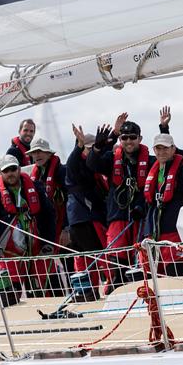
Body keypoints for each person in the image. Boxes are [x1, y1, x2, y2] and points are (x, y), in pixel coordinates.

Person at [86, 114, 155, 293]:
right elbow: (93, 164)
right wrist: (98, 147)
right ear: (120, 139)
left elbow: (153, 186)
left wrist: (142, 204)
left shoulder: (151, 161)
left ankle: (144, 289)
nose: (129, 141)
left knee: (141, 256)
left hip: (141, 216)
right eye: (124, 138)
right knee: (116, 254)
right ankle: (117, 287)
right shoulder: (110, 158)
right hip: (118, 214)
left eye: (133, 137)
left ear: (140, 138)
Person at [0, 154, 57, 295]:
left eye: (13, 169)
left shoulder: (36, 187)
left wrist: (49, 241)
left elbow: (49, 215)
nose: (10, 173)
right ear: (0, 173)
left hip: (38, 246)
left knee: (46, 287)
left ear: (19, 169)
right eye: (6, 171)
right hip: (9, 250)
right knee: (11, 293)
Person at [144, 134, 183, 276]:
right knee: (157, 277)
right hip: (155, 234)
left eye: (165, 148)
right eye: (158, 148)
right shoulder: (153, 171)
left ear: (173, 149)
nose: (161, 152)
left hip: (176, 234)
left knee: (177, 274)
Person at [67, 125, 109, 300]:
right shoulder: (75, 164)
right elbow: (72, 162)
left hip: (87, 217)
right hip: (83, 217)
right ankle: (89, 291)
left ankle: (90, 292)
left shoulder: (96, 165)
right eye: (88, 148)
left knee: (89, 256)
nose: (91, 151)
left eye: (94, 148)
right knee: (93, 255)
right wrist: (79, 146)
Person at [27, 138, 67, 249]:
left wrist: (66, 228)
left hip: (62, 220)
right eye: (34, 152)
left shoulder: (61, 171)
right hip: (46, 223)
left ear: (49, 154)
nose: (37, 155)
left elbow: (69, 199)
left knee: (66, 255)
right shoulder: (34, 175)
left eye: (40, 151)